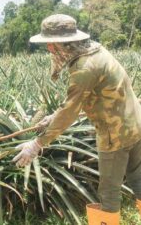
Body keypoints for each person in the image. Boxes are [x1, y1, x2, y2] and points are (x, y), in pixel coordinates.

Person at [12, 14, 141, 225]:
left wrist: (36, 144)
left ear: (62, 44)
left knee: (109, 193)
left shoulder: (84, 68)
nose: (49, 50)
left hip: (114, 135)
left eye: (50, 45)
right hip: (135, 123)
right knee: (139, 179)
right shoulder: (97, 51)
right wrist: (54, 116)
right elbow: (92, 97)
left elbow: (70, 111)